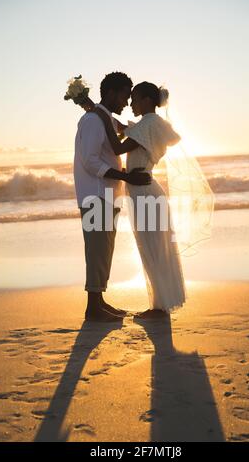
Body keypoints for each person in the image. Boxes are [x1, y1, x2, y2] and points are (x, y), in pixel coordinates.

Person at [93, 82, 187, 318]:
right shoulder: (149, 124)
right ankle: (160, 305)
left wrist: (102, 116)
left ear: (146, 100)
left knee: (153, 247)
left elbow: (116, 148)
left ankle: (160, 307)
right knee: (153, 247)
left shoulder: (148, 124)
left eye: (134, 99)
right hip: (144, 191)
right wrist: (97, 111)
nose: (131, 104)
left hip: (145, 192)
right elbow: (124, 130)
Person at [74, 72, 152, 322]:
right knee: (97, 249)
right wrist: (126, 177)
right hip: (95, 194)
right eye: (124, 96)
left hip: (107, 193)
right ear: (111, 93)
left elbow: (123, 130)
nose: (126, 102)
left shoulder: (104, 118)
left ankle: (99, 302)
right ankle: (93, 308)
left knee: (104, 248)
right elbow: (90, 161)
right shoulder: (93, 121)